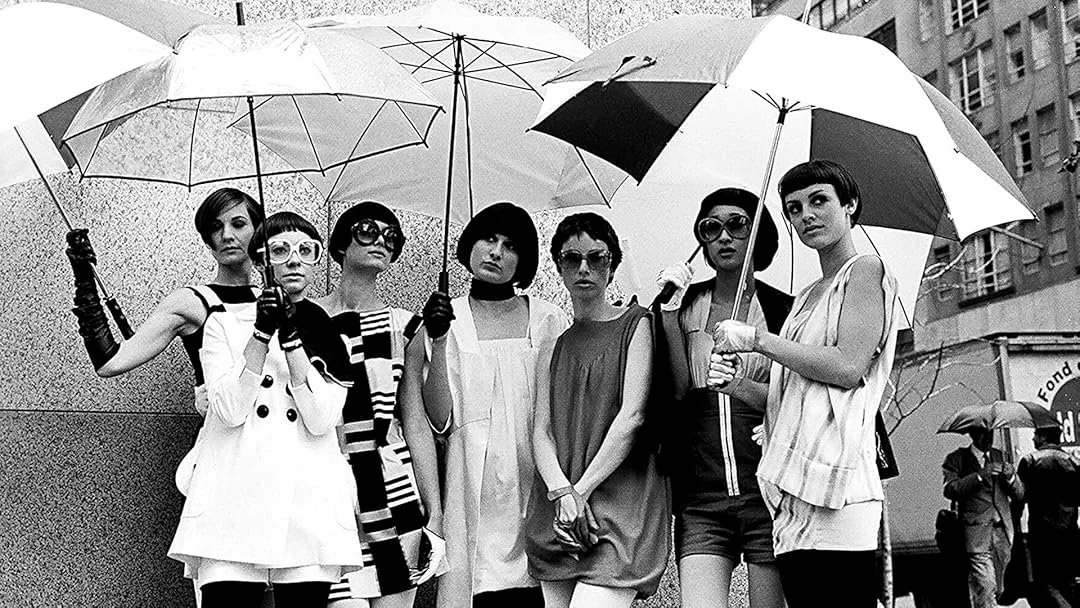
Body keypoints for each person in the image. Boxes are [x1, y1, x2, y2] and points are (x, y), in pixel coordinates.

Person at [709, 160, 899, 607]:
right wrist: (738, 384)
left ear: (849, 205)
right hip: (792, 490)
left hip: (840, 485)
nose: (806, 215)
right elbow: (789, 395)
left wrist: (759, 340)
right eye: (794, 208)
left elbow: (846, 367)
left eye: (819, 201)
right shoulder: (807, 295)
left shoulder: (865, 271)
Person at [168, 211, 363, 607]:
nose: (293, 259)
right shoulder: (223, 324)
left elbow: (322, 418)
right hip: (233, 498)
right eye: (280, 250)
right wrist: (261, 333)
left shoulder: (327, 332)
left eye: (305, 251)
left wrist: (292, 343)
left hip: (307, 502)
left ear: (316, 261)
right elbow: (229, 410)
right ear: (261, 260)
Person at [420, 202, 568, 608]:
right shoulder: (447, 320)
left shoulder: (548, 318)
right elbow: (439, 417)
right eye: (488, 238)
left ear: (523, 261)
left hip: (536, 473)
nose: (496, 252)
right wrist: (435, 338)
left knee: (539, 589)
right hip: (472, 480)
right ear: (469, 244)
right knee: (476, 585)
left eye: (510, 245)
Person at [298, 202, 443, 608]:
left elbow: (414, 419)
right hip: (326, 482)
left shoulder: (404, 325)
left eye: (390, 236)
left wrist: (435, 509)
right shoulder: (303, 321)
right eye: (367, 230)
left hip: (392, 483)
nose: (380, 239)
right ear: (341, 243)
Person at [526, 212, 670, 608]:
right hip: (558, 510)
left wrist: (579, 493)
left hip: (618, 506)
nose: (584, 268)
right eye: (572, 258)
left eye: (597, 257)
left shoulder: (636, 324)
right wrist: (562, 494)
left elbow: (632, 416)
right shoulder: (551, 346)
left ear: (613, 264)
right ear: (557, 265)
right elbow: (542, 431)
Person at [656, 188, 790, 608]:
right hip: (701, 498)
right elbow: (676, 391)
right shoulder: (687, 302)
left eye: (737, 224)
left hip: (768, 493)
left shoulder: (786, 309)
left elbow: (798, 398)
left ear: (757, 235)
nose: (724, 236)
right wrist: (665, 313)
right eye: (711, 228)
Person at [66, 187, 263, 412]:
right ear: (208, 240)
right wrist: (84, 277)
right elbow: (110, 362)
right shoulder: (191, 302)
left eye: (238, 224)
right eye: (216, 227)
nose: (227, 235)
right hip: (225, 440)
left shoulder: (276, 300)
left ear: (258, 232)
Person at [943, 426, 1024, 608]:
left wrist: (1011, 477)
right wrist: (979, 476)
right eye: (982, 434)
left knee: (997, 587)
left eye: (990, 433)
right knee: (986, 584)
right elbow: (950, 489)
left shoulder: (1001, 456)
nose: (987, 438)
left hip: (1002, 532)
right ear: (972, 435)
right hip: (976, 532)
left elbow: (1020, 495)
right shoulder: (957, 459)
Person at [1016, 425, 1078, 607]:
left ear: (1043, 437)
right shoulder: (1073, 461)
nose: (1033, 439)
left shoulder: (1030, 461)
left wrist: (1015, 528)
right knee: (1066, 581)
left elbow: (1020, 497)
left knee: (1045, 583)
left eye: (1036, 435)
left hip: (1042, 532)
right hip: (1069, 531)